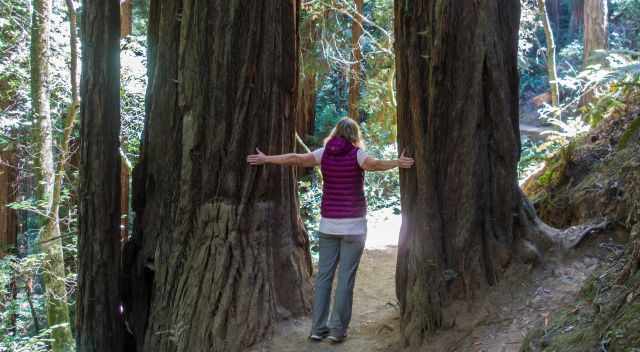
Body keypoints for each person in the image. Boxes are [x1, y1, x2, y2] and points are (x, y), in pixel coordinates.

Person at [246, 117, 414, 344]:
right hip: (354, 227)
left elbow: (296, 159)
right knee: (345, 279)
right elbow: (375, 165)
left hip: (328, 226)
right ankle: (336, 330)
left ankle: (317, 328)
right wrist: (398, 162)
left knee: (324, 278)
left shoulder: (323, 153)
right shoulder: (357, 154)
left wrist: (267, 159)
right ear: (354, 135)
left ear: (335, 133)